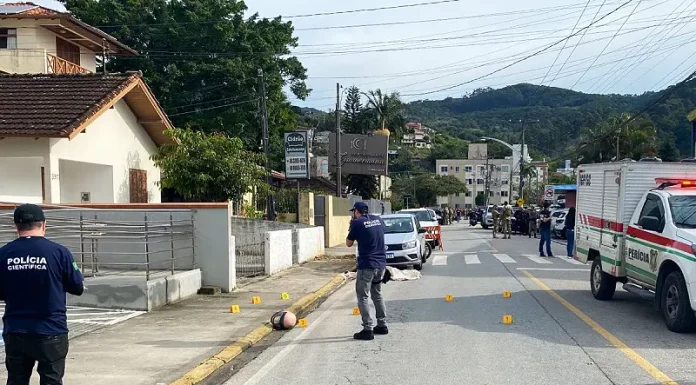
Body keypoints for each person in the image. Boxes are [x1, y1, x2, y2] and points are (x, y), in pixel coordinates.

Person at [0, 204, 85, 385]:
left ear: (16, 226)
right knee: (51, 380)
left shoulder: (3, 254)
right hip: (51, 329)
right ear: (44, 224)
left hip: (16, 330)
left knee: (16, 380)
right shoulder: (60, 252)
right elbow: (77, 287)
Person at [346, 201, 387, 341]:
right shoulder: (378, 219)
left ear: (356, 211)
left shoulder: (357, 223)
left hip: (367, 265)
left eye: (354, 212)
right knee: (377, 294)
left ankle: (367, 328)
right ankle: (382, 324)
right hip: (381, 264)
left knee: (362, 296)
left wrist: (351, 227)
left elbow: (348, 243)